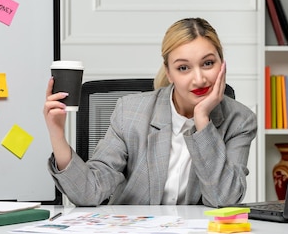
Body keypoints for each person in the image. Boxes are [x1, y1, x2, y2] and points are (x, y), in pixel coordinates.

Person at [43, 17, 257, 207]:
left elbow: (223, 199)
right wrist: (57, 134)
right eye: (183, 68)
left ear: (222, 64)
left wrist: (202, 120)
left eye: (208, 63)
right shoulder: (129, 113)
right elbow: (89, 193)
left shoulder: (240, 121)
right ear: (169, 73)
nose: (199, 79)